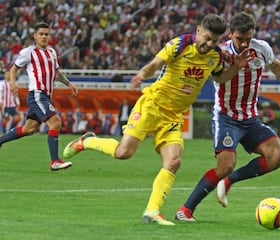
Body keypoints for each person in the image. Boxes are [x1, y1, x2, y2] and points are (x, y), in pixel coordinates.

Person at [62, 13, 254, 226]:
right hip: (152, 106)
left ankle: (152, 211)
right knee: (123, 153)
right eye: (207, 38)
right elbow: (156, 62)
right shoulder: (180, 44)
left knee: (173, 161)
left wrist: (236, 67)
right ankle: (86, 141)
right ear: (198, 31)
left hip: (173, 116)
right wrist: (142, 75)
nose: (209, 44)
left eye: (214, 41)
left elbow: (219, 78)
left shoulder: (216, 56)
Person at [175, 11, 280, 221]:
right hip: (226, 118)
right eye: (239, 38)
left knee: (278, 156)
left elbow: (275, 66)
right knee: (225, 165)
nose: (243, 44)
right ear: (230, 33)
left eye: (247, 39)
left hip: (250, 119)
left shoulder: (261, 49)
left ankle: (229, 181)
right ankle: (185, 210)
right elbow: (218, 80)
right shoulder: (220, 54)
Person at [0, 22, 79, 171]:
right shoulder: (28, 52)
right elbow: (13, 69)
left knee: (29, 129)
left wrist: (69, 84)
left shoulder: (52, 52)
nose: (43, 36)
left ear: (49, 36)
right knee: (55, 122)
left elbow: (56, 73)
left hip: (46, 96)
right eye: (41, 34)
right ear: (35, 36)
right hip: (37, 94)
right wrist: (13, 84)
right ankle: (55, 161)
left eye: (46, 34)